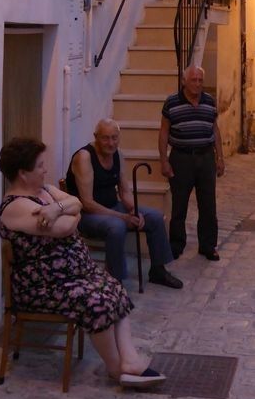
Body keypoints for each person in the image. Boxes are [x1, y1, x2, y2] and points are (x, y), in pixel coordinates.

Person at [0, 137, 165, 389]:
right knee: (96, 301)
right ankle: (115, 367)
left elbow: (76, 202)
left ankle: (129, 360)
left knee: (113, 288)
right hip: (44, 287)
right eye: (41, 165)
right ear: (23, 173)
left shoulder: (44, 191)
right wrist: (68, 213)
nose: (46, 169)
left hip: (71, 277)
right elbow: (66, 227)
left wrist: (56, 209)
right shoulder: (15, 206)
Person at [66, 119, 182, 289]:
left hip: (113, 207)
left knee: (155, 217)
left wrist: (133, 208)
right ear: (95, 137)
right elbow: (87, 203)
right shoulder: (84, 157)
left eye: (114, 138)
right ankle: (115, 279)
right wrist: (123, 217)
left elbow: (124, 191)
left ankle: (158, 270)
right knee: (117, 226)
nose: (110, 143)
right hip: (87, 215)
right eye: (105, 138)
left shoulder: (118, 155)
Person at [159, 64, 224, 261]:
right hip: (181, 158)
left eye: (200, 80)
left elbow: (215, 130)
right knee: (179, 205)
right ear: (184, 81)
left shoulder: (209, 101)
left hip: (205, 158)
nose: (197, 84)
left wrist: (220, 157)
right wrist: (164, 160)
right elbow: (163, 132)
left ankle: (208, 246)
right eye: (193, 80)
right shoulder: (172, 103)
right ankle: (176, 245)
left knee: (208, 205)